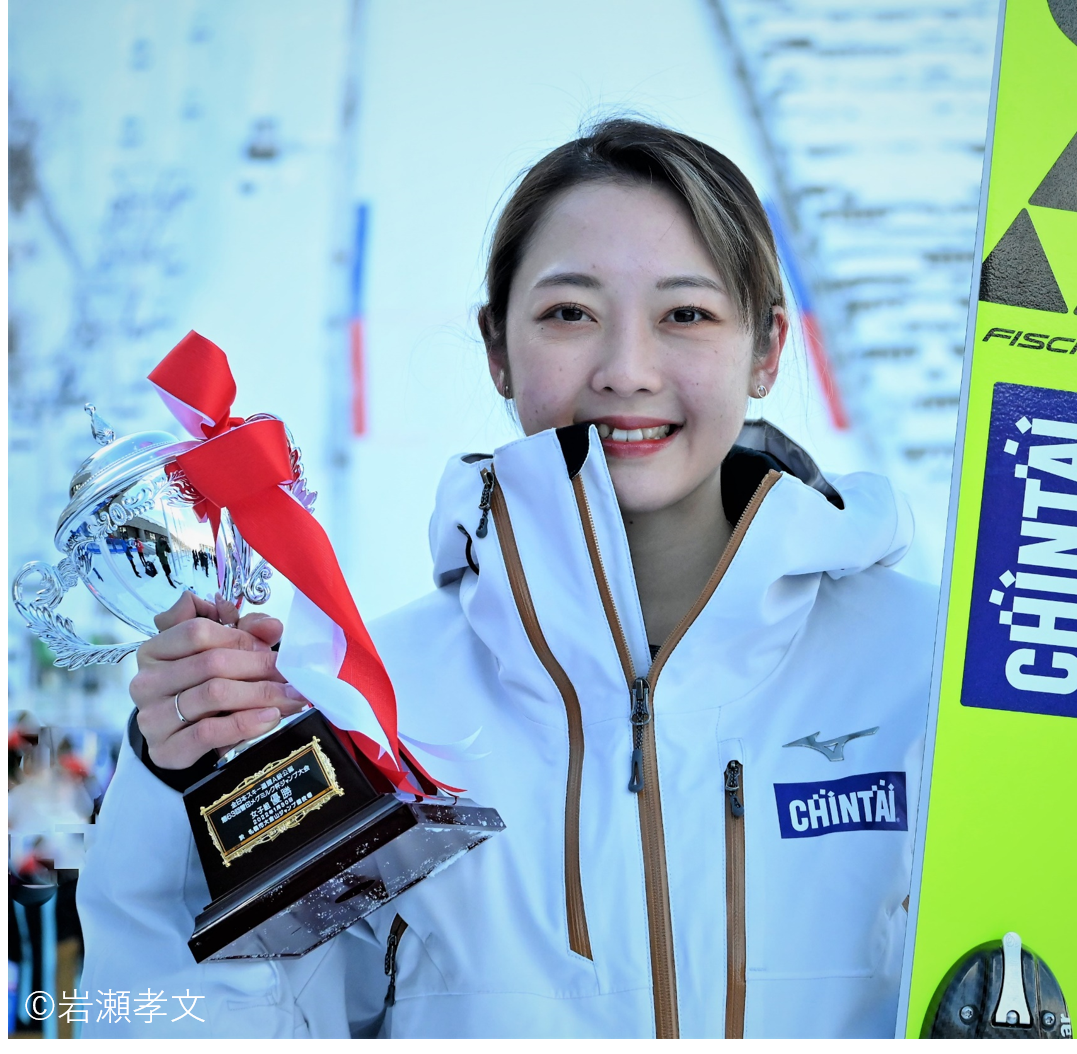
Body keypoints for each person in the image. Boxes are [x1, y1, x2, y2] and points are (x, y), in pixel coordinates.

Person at [78, 119, 940, 1039]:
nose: (627, 371)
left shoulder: (926, 670)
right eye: (570, 313)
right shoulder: (374, 706)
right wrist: (187, 789)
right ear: (497, 346)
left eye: (685, 314)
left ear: (767, 348)